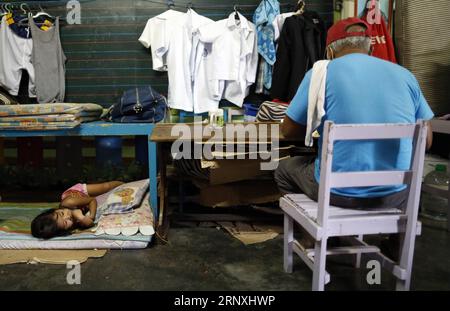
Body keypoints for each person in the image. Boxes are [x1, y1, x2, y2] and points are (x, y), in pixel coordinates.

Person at [275, 17, 434, 210]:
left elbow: (289, 131)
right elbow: (425, 141)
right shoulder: (406, 76)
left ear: (330, 51)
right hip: (397, 194)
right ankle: (394, 239)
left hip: (337, 194)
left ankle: (315, 230)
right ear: (371, 49)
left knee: (283, 169)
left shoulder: (321, 73)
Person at [31, 181, 124, 239]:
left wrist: (91, 216)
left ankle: (126, 184)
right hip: (84, 204)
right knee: (108, 197)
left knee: (105, 187)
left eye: (62, 213)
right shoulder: (73, 226)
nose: (68, 216)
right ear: (64, 231)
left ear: (55, 210)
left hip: (80, 192)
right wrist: (83, 219)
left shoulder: (68, 202)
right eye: (65, 223)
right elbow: (89, 224)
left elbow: (92, 200)